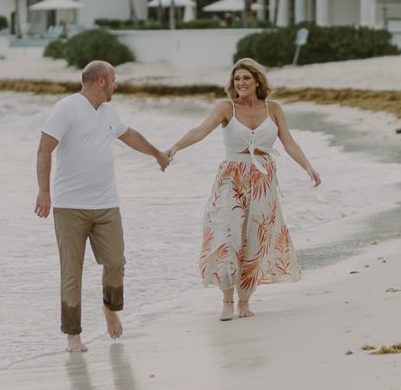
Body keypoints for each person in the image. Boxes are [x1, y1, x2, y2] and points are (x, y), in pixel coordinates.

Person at [169, 58, 321, 321]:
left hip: (263, 182)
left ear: (257, 81)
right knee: (226, 237)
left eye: (246, 79)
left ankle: (244, 300)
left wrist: (308, 167)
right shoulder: (226, 108)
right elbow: (200, 130)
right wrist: (174, 148)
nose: (240, 83)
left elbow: (288, 142)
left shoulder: (273, 108)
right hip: (231, 178)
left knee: (255, 241)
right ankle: (227, 299)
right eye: (237, 79)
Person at [35, 60, 170, 353]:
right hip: (70, 207)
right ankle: (73, 335)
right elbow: (45, 148)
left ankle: (110, 308)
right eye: (114, 80)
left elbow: (130, 135)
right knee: (72, 271)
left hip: (107, 205)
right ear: (100, 82)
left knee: (116, 262)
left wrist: (156, 153)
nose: (116, 85)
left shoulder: (109, 112)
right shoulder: (66, 108)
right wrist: (44, 192)